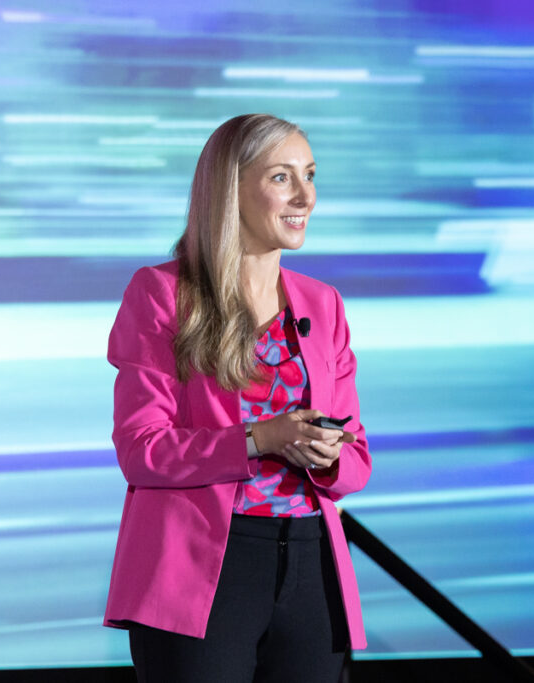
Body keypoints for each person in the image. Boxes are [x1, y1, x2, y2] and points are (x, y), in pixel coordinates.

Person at [102, 113, 371, 682]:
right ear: (231, 189)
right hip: (204, 566)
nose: (306, 196)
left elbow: (356, 463)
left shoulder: (323, 304)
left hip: (310, 561)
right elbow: (142, 450)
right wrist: (259, 439)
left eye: (311, 174)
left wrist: (326, 453)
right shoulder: (162, 294)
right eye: (281, 177)